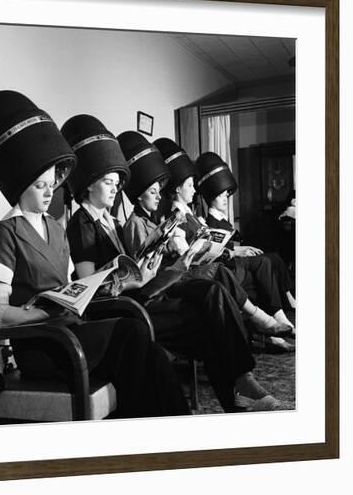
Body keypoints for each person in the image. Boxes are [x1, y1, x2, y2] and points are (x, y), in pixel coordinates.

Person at [0, 90, 189, 419]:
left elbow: (73, 284)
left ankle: (173, 439)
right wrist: (44, 315)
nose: (48, 193)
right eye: (39, 186)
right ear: (19, 184)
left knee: (154, 355)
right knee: (132, 336)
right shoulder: (3, 234)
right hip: (44, 344)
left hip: (73, 329)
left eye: (51, 185)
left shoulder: (57, 230)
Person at [63, 120, 282, 412]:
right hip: (125, 309)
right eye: (108, 183)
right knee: (210, 313)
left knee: (212, 295)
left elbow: (131, 268)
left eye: (118, 183)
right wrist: (132, 278)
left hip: (141, 295)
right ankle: (240, 392)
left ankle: (241, 389)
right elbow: (89, 286)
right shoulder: (82, 225)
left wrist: (149, 265)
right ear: (89, 184)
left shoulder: (112, 223)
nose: (116, 189)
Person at [154, 138, 293, 340]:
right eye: (191, 185)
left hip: (211, 264)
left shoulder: (190, 215)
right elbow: (184, 255)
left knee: (262, 264)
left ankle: (272, 327)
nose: (195, 190)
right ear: (177, 189)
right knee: (256, 266)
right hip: (199, 271)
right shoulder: (174, 217)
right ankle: (268, 325)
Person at [195, 151, 296, 351]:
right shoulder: (208, 221)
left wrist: (241, 248)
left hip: (229, 260)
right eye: (222, 196)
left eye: (226, 196)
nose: (226, 200)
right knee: (265, 262)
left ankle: (279, 317)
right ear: (212, 196)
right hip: (224, 265)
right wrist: (238, 250)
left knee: (270, 259)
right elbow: (217, 248)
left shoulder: (220, 220)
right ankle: (277, 318)